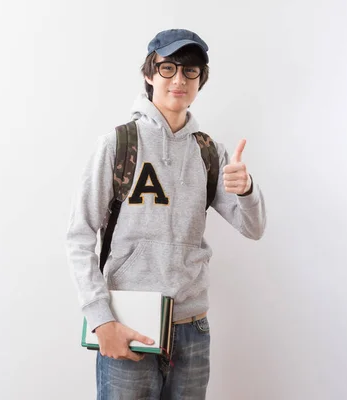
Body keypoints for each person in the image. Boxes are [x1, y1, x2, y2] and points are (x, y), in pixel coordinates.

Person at [66, 28, 267, 399]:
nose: (179, 79)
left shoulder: (210, 153)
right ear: (149, 73)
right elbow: (79, 236)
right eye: (168, 67)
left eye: (190, 71)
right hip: (130, 325)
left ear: (200, 80)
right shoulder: (118, 143)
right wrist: (100, 320)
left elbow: (252, 228)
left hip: (193, 330)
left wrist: (248, 189)